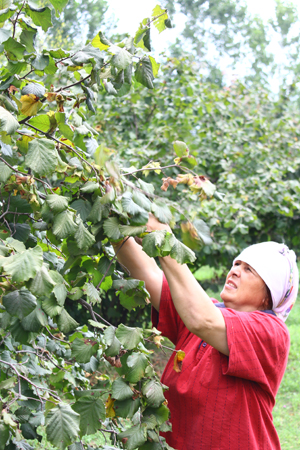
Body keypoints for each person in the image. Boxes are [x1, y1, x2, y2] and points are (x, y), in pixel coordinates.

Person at [113, 214, 299, 450]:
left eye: (250, 269)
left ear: (268, 296)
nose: (235, 271)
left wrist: (165, 241)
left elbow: (202, 320)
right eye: (237, 264)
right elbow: (147, 274)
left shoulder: (271, 333)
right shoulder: (203, 308)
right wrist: (116, 217)